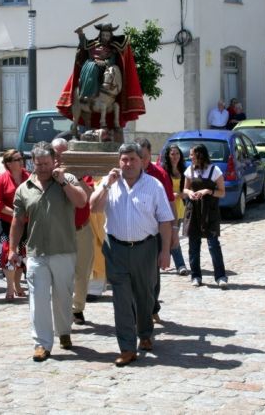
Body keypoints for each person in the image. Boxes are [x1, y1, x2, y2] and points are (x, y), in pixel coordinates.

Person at [90, 142, 173, 367]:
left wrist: (165, 251)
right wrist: (106, 184)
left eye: (132, 159)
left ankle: (145, 332)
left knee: (145, 295)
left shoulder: (154, 186)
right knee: (121, 300)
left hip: (146, 248)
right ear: (119, 162)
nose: (128, 164)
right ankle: (127, 348)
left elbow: (165, 220)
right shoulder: (109, 184)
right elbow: (94, 207)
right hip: (116, 249)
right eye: (124, 160)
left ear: (142, 161)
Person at [9, 142, 87, 362]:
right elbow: (17, 222)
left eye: (46, 163)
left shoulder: (67, 179)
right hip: (36, 252)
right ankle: (41, 343)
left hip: (63, 250)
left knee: (63, 296)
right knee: (38, 298)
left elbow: (81, 201)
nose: (42, 167)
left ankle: (64, 331)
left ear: (55, 161)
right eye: (38, 163)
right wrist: (13, 249)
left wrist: (62, 181)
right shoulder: (24, 188)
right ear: (32, 162)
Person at [57, 22, 145, 129]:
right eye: (103, 35)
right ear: (100, 35)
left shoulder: (112, 49)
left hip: (105, 67)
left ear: (110, 36)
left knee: (111, 74)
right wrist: (80, 33)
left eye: (107, 35)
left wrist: (105, 63)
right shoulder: (93, 44)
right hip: (92, 64)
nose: (105, 37)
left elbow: (112, 60)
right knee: (92, 67)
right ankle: (87, 94)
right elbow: (84, 43)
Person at [51, 138, 95, 325]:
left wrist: (76, 178)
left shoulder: (81, 172)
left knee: (83, 271)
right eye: (57, 153)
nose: (60, 157)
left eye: (64, 153)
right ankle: (62, 307)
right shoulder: (48, 175)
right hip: (59, 231)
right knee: (60, 272)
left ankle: (77, 308)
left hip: (81, 228)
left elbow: (91, 196)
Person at [135, 137, 177, 323]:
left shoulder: (159, 174)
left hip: (156, 231)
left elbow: (170, 202)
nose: (141, 161)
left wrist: (174, 229)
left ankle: (152, 306)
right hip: (133, 232)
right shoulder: (126, 174)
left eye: (144, 157)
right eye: (138, 157)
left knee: (153, 272)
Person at [182, 144, 228, 288]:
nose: (190, 157)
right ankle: (196, 276)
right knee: (193, 245)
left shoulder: (215, 171)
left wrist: (208, 191)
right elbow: (185, 189)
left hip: (209, 211)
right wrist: (190, 193)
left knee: (213, 245)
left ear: (200, 155)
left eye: (192, 155)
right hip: (193, 210)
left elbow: (222, 192)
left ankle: (220, 276)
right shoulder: (189, 170)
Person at [0, 149, 30, 301]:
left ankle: (17, 283)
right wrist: (15, 213)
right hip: (5, 222)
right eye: (17, 159)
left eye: (21, 158)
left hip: (25, 222)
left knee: (21, 253)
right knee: (8, 253)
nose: (21, 161)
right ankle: (9, 286)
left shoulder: (28, 176)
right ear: (8, 163)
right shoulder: (1, 179)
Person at [160, 144, 188, 276]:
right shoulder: (163, 170)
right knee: (170, 237)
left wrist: (184, 194)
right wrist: (172, 194)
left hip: (180, 207)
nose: (175, 156)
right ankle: (180, 265)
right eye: (173, 154)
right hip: (167, 207)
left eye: (177, 154)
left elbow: (188, 188)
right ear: (168, 156)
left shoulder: (183, 169)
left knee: (174, 237)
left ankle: (168, 263)